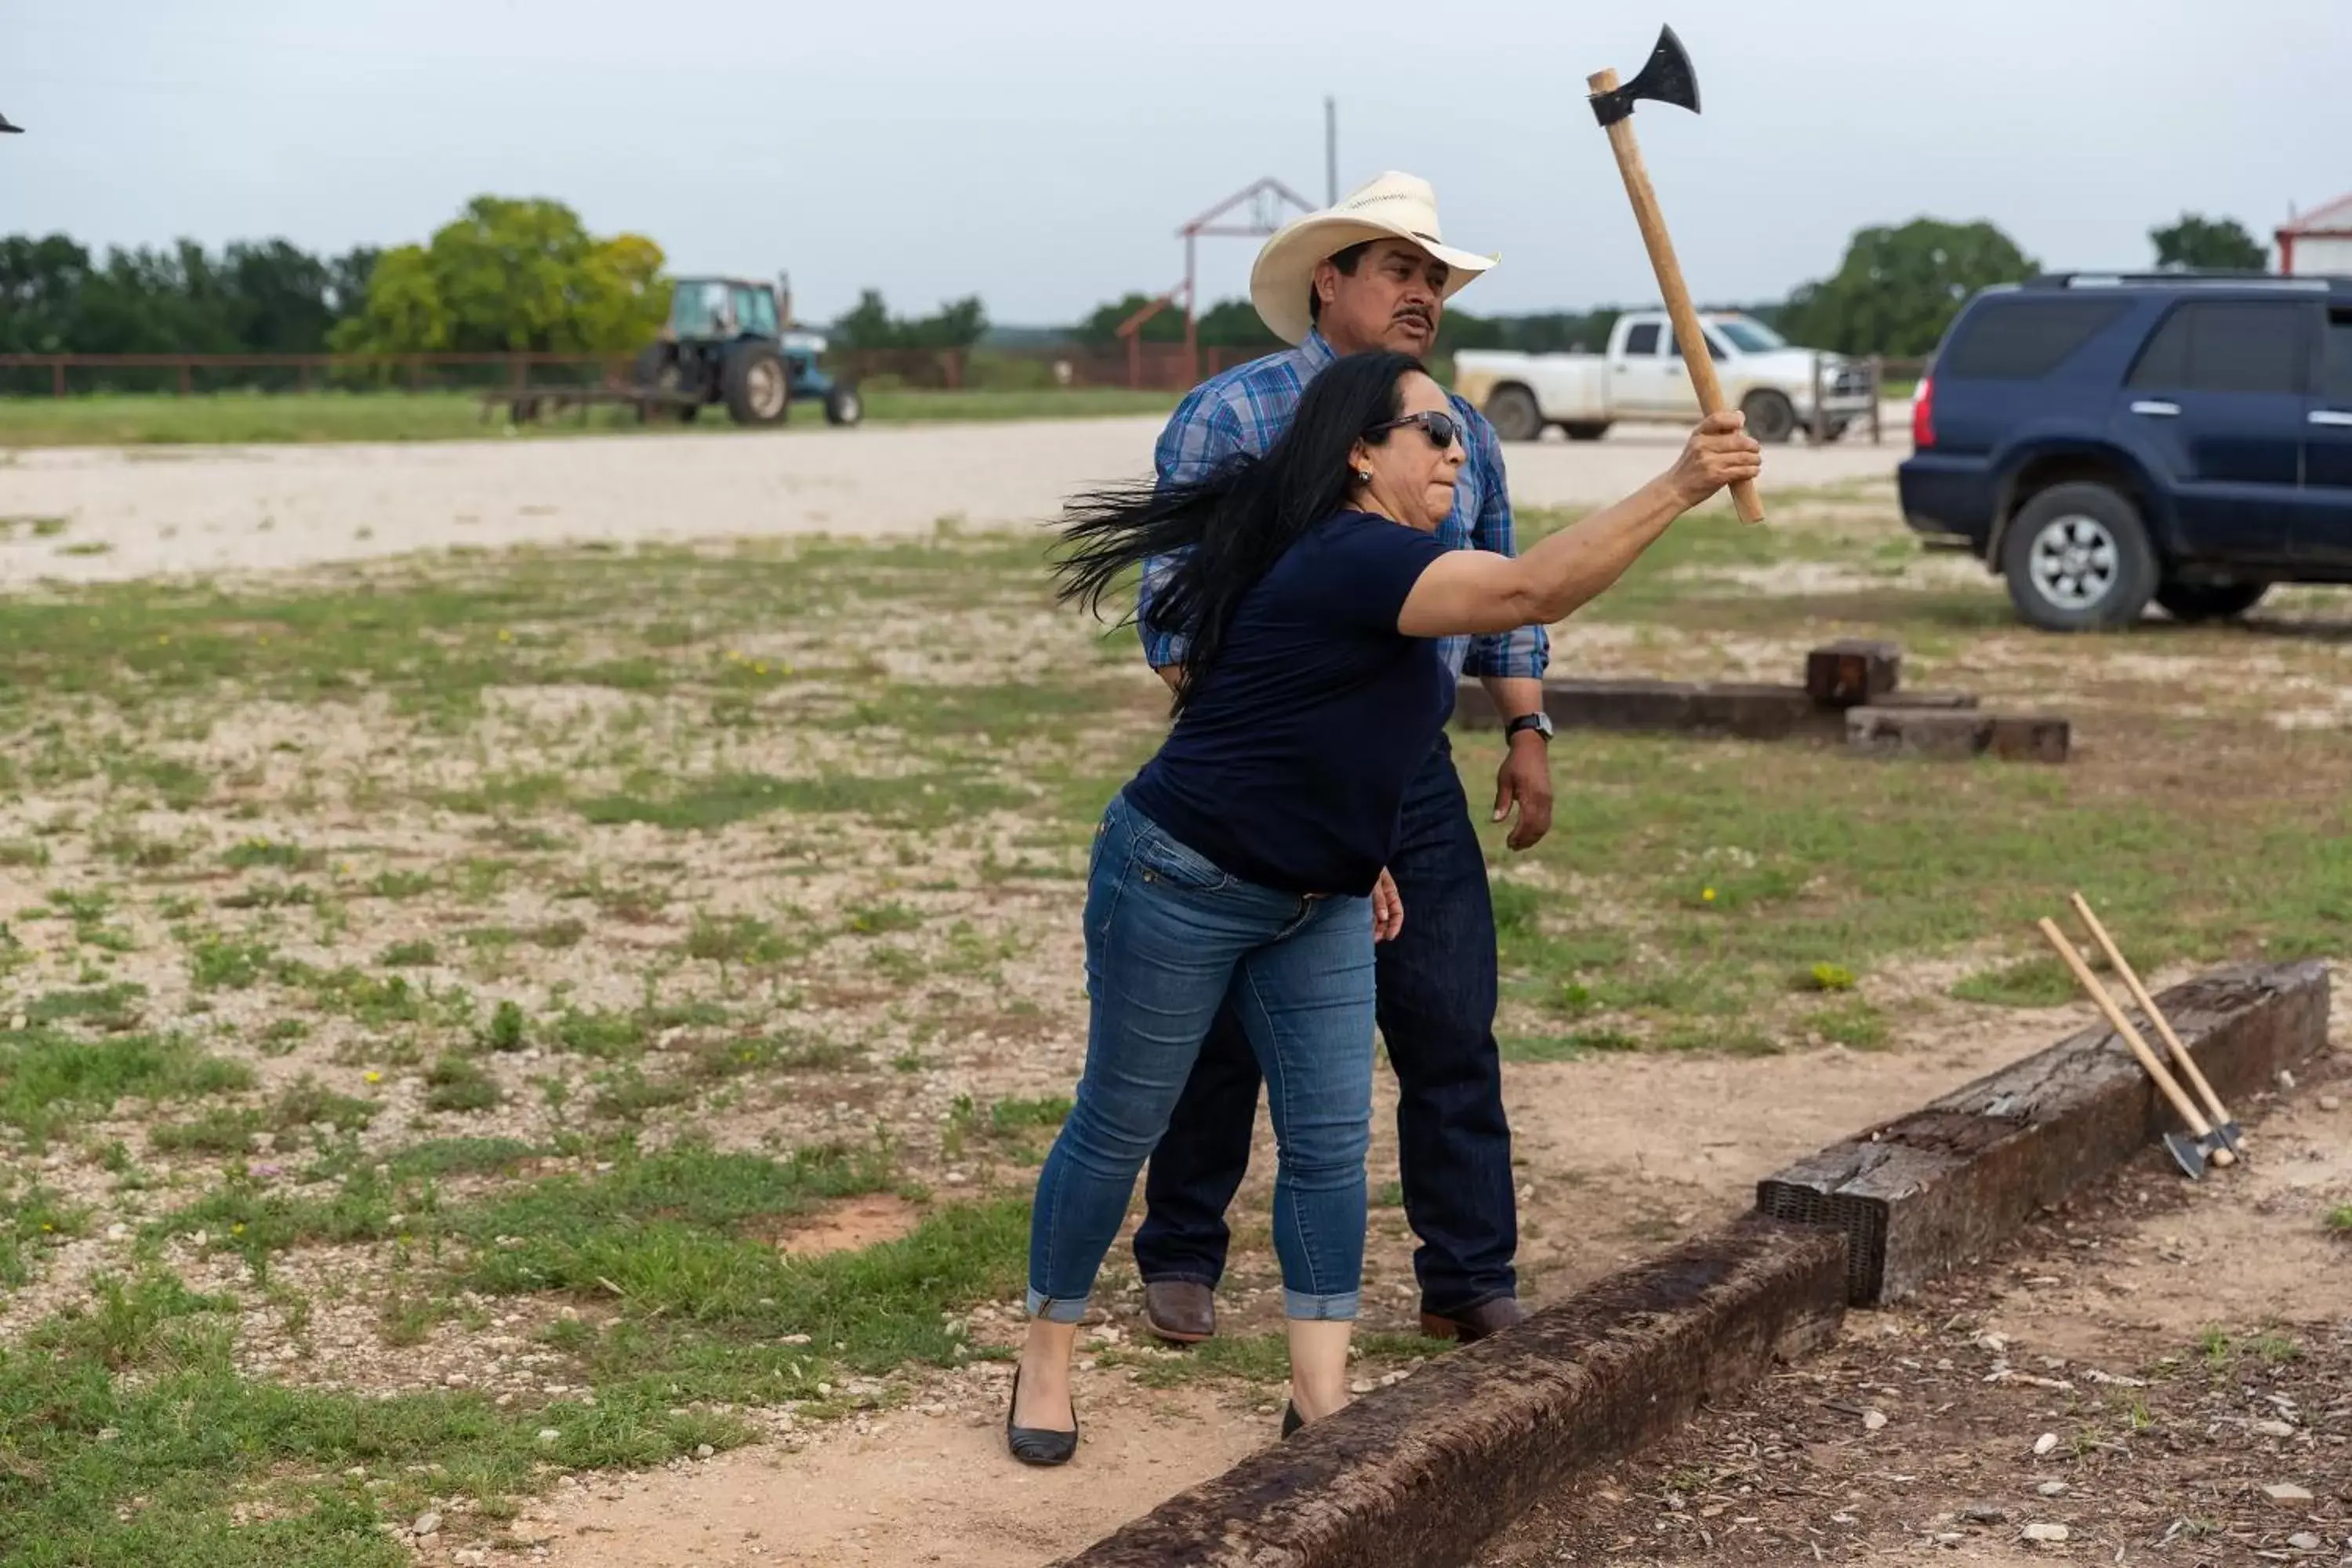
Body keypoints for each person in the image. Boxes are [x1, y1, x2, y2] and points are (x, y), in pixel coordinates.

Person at [1007, 348, 1762, 1465]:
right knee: (1120, 1125)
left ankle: (1318, 1402)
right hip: (1182, 875)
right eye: (1432, 432)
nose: (1458, 447)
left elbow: (1361, 728)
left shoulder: (1399, 559)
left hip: (1322, 891)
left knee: (1328, 1147)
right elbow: (1530, 590)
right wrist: (1680, 483)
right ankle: (1045, 1360)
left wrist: (1362, 851)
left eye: (1460, 431)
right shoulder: (1357, 556)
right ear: (1362, 453)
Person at [1131, 171, 1553, 1349]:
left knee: (1449, 1019)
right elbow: (1173, 615)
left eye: (1436, 278)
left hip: (1411, 775)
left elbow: (1504, 588)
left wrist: (1525, 728)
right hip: (1257, 767)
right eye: (1400, 271)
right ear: (1331, 280)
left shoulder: (1456, 428)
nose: (1425, 294)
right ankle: (1182, 1255)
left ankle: (1469, 1274)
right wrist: (1292, 771)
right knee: (1226, 1022)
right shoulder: (1236, 418)